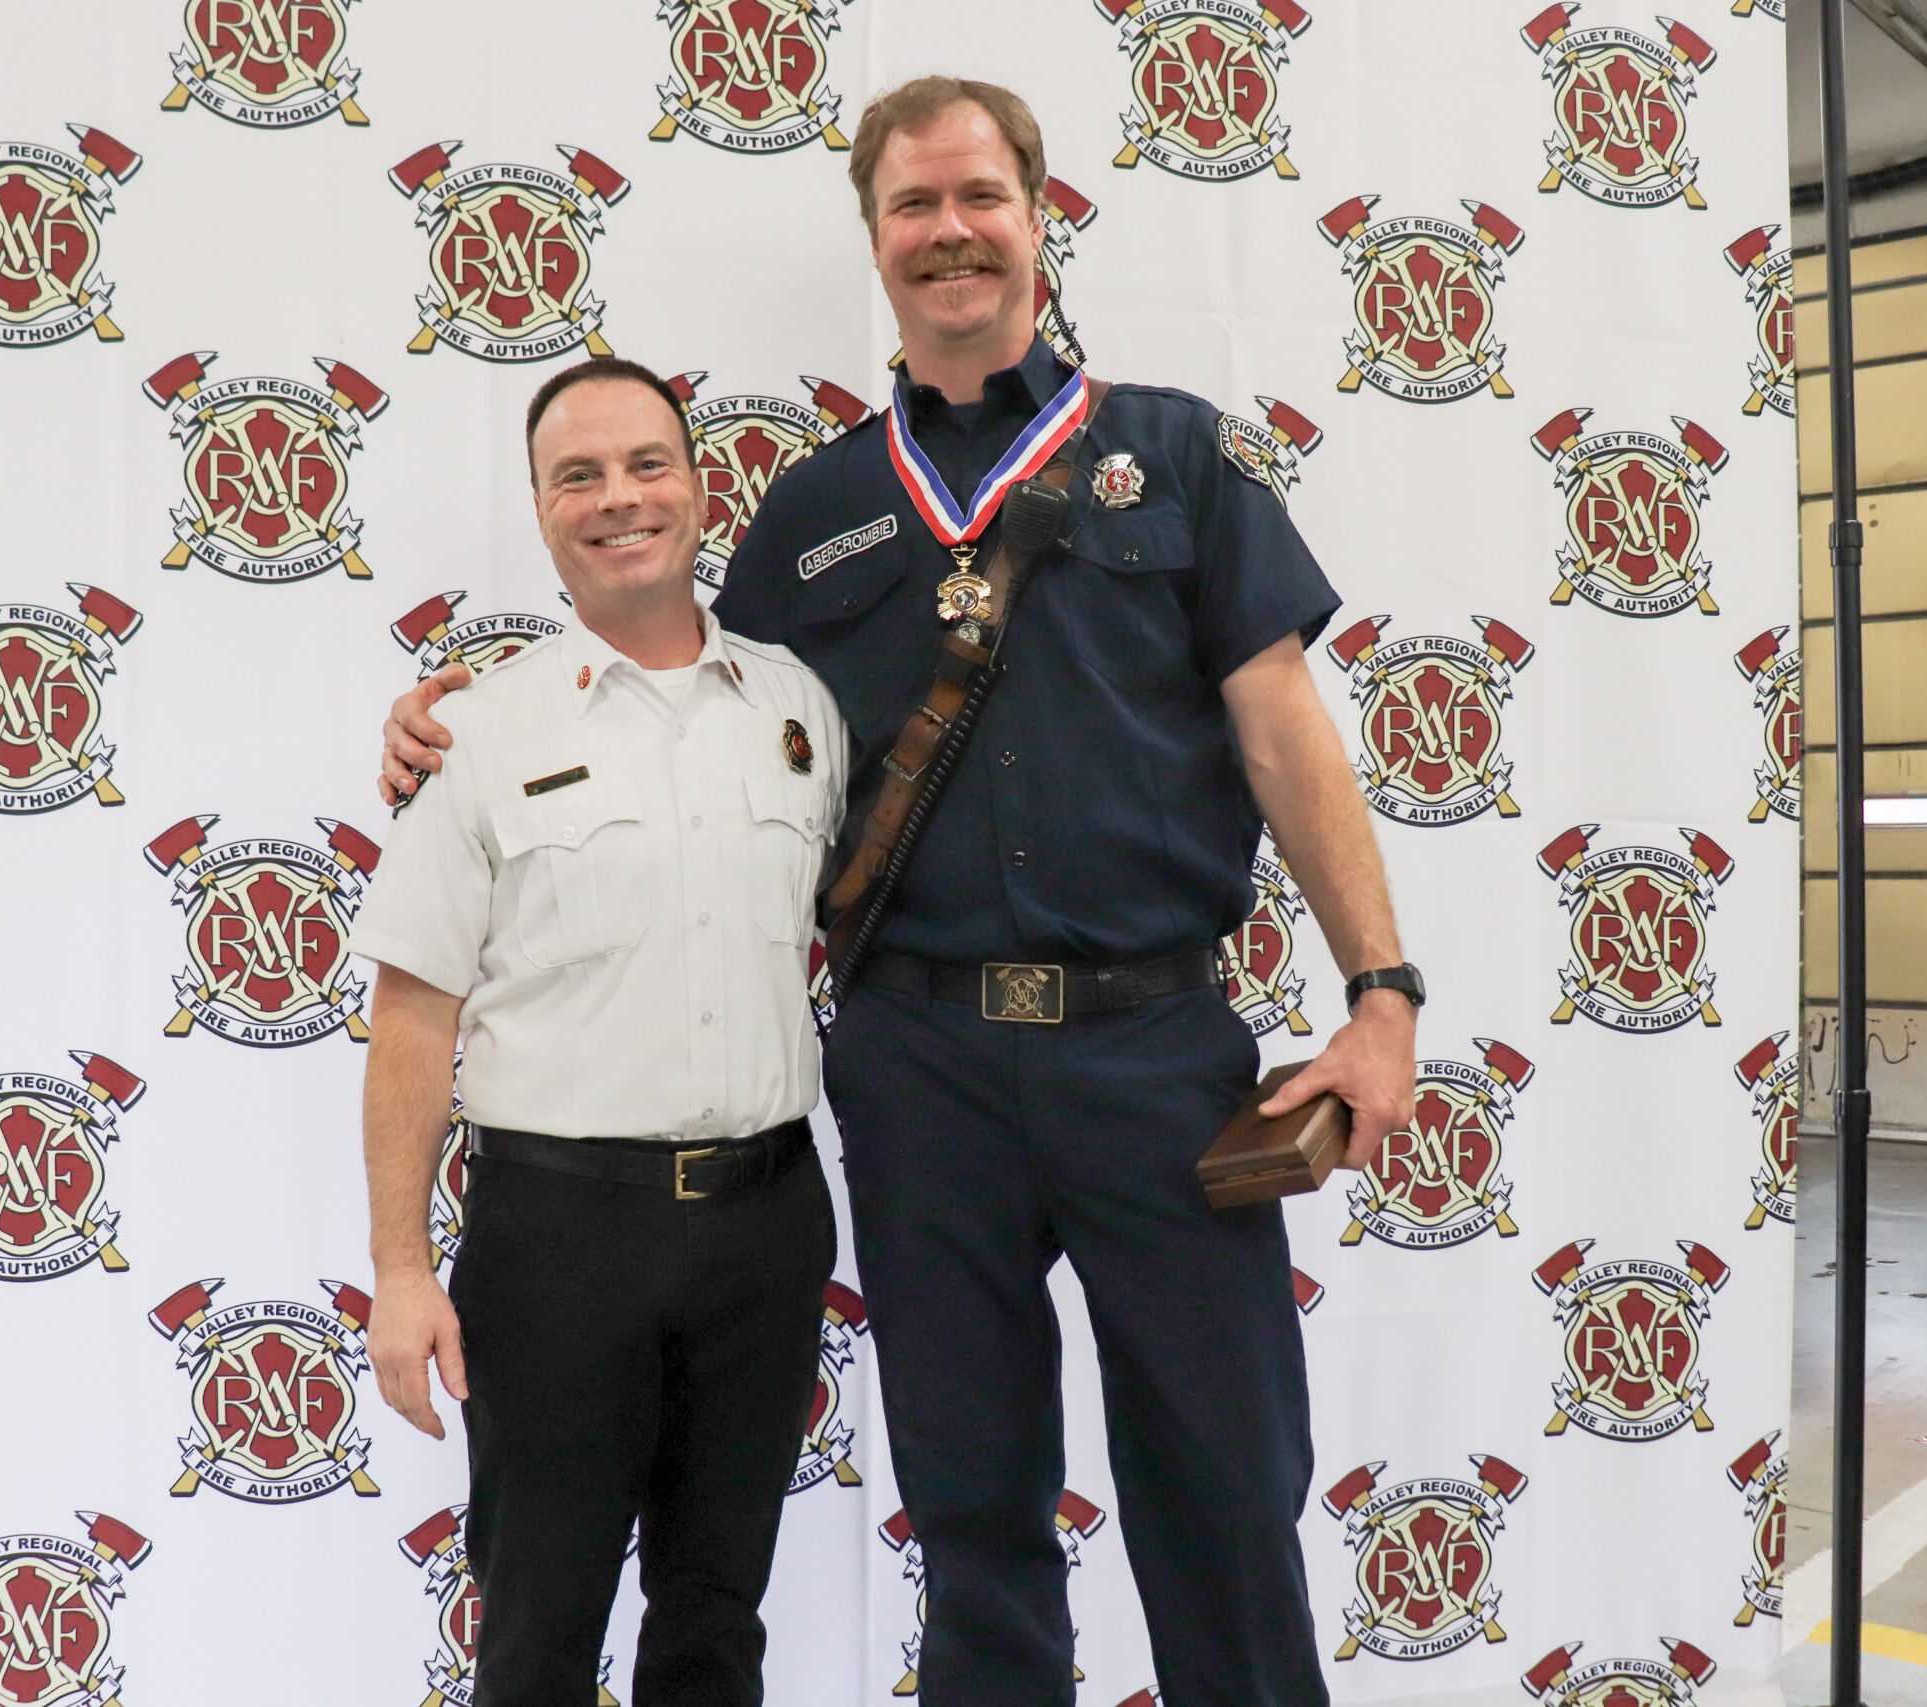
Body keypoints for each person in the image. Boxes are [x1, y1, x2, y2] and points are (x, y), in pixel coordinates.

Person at [379, 78, 1420, 1707]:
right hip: (919, 1073)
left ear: (1036, 213)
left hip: (1159, 1058)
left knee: (1225, 1490)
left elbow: (1288, 734)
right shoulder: (811, 513)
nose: (950, 233)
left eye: (979, 198)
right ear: (875, 243)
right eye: (914, 208)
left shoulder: (1177, 458)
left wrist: (1382, 996)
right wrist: (454, 721)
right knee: (974, 1497)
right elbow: (681, 692)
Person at [354, 357, 848, 1707]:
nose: (619, 498)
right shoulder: (475, 731)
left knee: (714, 1620)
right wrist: (402, 1270)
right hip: (559, 1238)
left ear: (699, 489)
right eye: (580, 475)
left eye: (647, 465)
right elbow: (411, 1015)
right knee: (536, 1632)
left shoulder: (802, 711)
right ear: (540, 509)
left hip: (765, 1223)